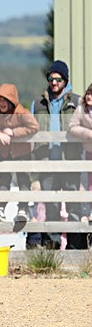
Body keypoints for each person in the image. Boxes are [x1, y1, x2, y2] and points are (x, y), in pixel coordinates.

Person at [31, 60, 84, 248]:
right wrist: (33, 171)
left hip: (71, 161)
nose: (54, 83)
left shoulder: (78, 101)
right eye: (51, 79)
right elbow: (31, 134)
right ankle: (51, 251)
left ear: (65, 80)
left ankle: (77, 248)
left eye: (58, 79)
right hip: (46, 162)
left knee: (74, 206)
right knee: (50, 208)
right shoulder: (38, 104)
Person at [0, 83, 39, 226]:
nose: (2, 103)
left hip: (22, 151)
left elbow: (34, 127)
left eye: (5, 100)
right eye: (0, 100)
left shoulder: (22, 112)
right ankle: (1, 208)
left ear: (12, 100)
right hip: (5, 151)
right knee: (3, 180)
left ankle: (23, 209)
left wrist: (13, 133)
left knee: (23, 180)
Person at [68, 83, 92, 223]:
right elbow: (72, 127)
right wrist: (89, 134)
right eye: (88, 93)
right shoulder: (81, 109)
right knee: (90, 183)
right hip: (89, 152)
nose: (89, 96)